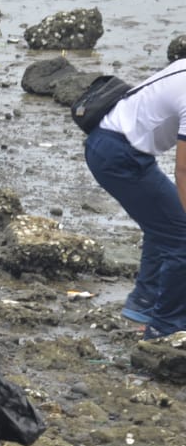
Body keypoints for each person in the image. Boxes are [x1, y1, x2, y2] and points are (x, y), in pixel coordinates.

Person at [84, 58, 186, 340]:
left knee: (164, 222)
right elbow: (183, 170)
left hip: (112, 143)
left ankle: (144, 303)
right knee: (181, 237)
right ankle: (165, 327)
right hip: (118, 155)